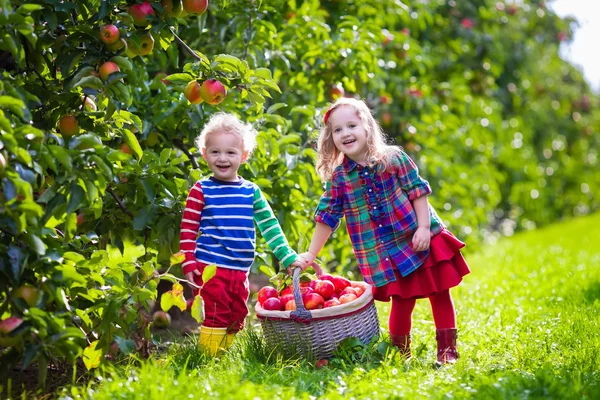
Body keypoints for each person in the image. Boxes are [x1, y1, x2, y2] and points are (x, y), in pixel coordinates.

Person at [298, 97, 470, 364]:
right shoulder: (340, 178)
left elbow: (418, 191)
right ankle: (400, 355)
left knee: (439, 293)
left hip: (417, 237)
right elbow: (327, 216)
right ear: (331, 138)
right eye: (337, 130)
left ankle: (447, 352)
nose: (345, 133)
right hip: (384, 252)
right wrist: (311, 253)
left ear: (367, 126)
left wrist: (424, 227)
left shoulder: (393, 158)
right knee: (402, 300)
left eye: (351, 125)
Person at [179, 112, 306, 356]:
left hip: (240, 271)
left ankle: (223, 357)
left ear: (244, 156)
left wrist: (287, 256)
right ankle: (208, 359)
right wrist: (188, 260)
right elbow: (188, 228)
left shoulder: (251, 192)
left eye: (230, 152)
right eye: (215, 152)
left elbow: (270, 226)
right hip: (210, 267)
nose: (222, 158)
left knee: (237, 315)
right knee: (216, 314)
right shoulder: (201, 190)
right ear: (205, 154)